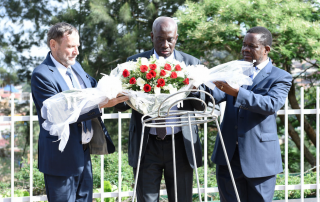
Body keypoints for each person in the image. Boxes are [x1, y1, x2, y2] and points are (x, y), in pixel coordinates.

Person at [31, 22, 128, 202]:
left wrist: (127, 92)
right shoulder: (41, 74)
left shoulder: (76, 67)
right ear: (53, 44)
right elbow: (59, 113)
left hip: (83, 153)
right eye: (70, 46)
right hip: (60, 158)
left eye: (77, 46)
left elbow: (98, 90)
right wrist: (101, 105)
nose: (76, 52)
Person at [114, 16, 205, 202]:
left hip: (181, 144)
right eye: (160, 38)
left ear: (176, 38)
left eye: (170, 39)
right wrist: (125, 92)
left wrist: (194, 89)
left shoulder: (191, 64)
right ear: (151, 36)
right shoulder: (134, 64)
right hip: (146, 144)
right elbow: (119, 105)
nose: (165, 44)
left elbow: (204, 104)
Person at [203, 26, 292, 201]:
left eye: (252, 46)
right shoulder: (235, 70)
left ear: (266, 49)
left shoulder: (281, 77)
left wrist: (237, 92)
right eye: (244, 45)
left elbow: (271, 104)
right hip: (228, 156)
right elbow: (215, 95)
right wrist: (196, 84)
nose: (245, 49)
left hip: (260, 160)